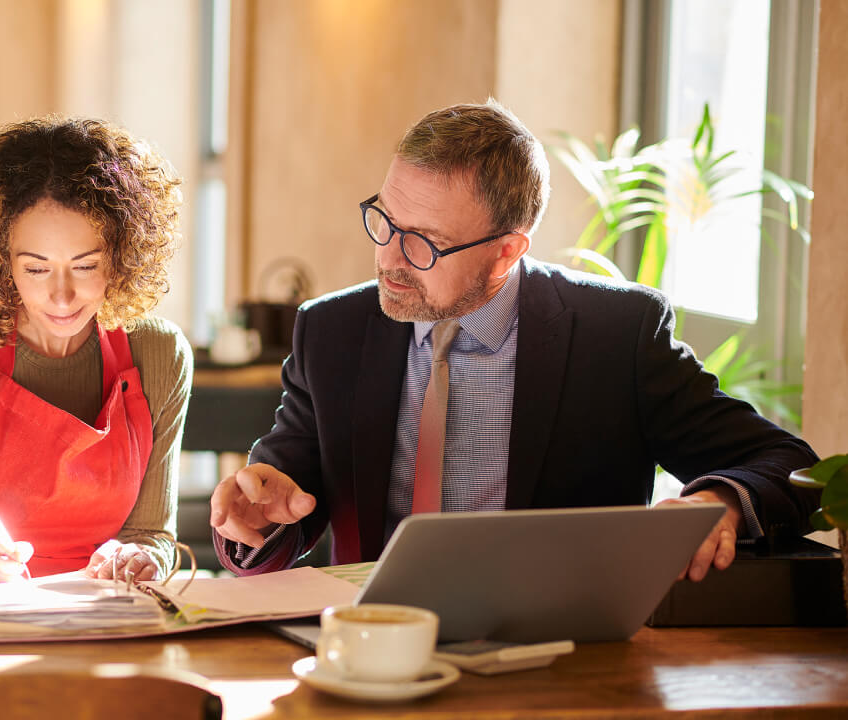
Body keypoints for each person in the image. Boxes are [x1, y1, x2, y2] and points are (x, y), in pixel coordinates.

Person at [209, 99, 820, 580]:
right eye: (384, 221)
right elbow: (278, 497)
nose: (388, 258)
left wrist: (722, 500)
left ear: (506, 252)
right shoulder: (333, 330)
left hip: (561, 657)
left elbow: (789, 467)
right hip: (371, 654)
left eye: (422, 242)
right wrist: (254, 517)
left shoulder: (614, 336)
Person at [0, 117, 190, 592]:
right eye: (36, 268)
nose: (62, 297)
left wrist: (142, 557)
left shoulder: (159, 353)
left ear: (122, 256)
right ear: (0, 260)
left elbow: (153, 535)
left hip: (105, 624)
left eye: (85, 265)